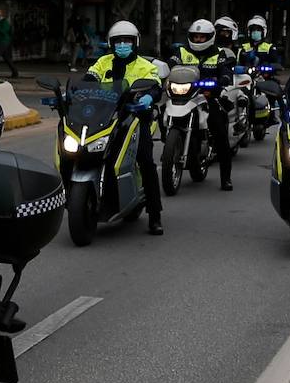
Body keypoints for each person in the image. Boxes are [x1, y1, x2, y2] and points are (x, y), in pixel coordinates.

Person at [85, 20, 165, 235]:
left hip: (135, 119)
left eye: (126, 41)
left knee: (146, 161)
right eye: (118, 41)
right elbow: (88, 80)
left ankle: (155, 215)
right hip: (105, 119)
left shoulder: (145, 66)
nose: (122, 45)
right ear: (111, 44)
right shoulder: (102, 63)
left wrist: (149, 96)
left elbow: (156, 86)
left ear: (135, 43)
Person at [170, 18, 236, 190]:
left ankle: (226, 178)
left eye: (202, 37)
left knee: (220, 132)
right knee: (162, 110)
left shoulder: (219, 54)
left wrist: (224, 78)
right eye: (195, 36)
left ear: (211, 37)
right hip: (184, 96)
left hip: (207, 97)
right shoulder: (182, 51)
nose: (198, 40)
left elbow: (226, 70)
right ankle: (172, 142)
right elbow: (170, 64)